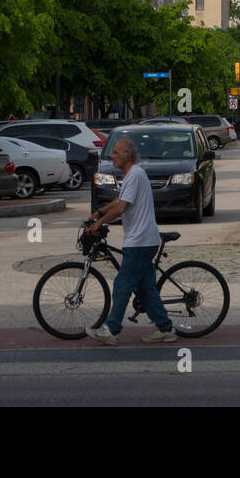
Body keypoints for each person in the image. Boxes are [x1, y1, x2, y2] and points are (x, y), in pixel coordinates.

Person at [84, 138, 176, 345]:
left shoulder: (135, 174)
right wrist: (99, 212)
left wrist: (98, 224)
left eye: (116, 152)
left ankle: (112, 329)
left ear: (128, 155)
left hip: (141, 241)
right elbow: (118, 201)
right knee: (146, 289)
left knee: (122, 284)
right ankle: (165, 329)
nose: (112, 156)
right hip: (141, 239)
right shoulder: (132, 175)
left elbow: (122, 208)